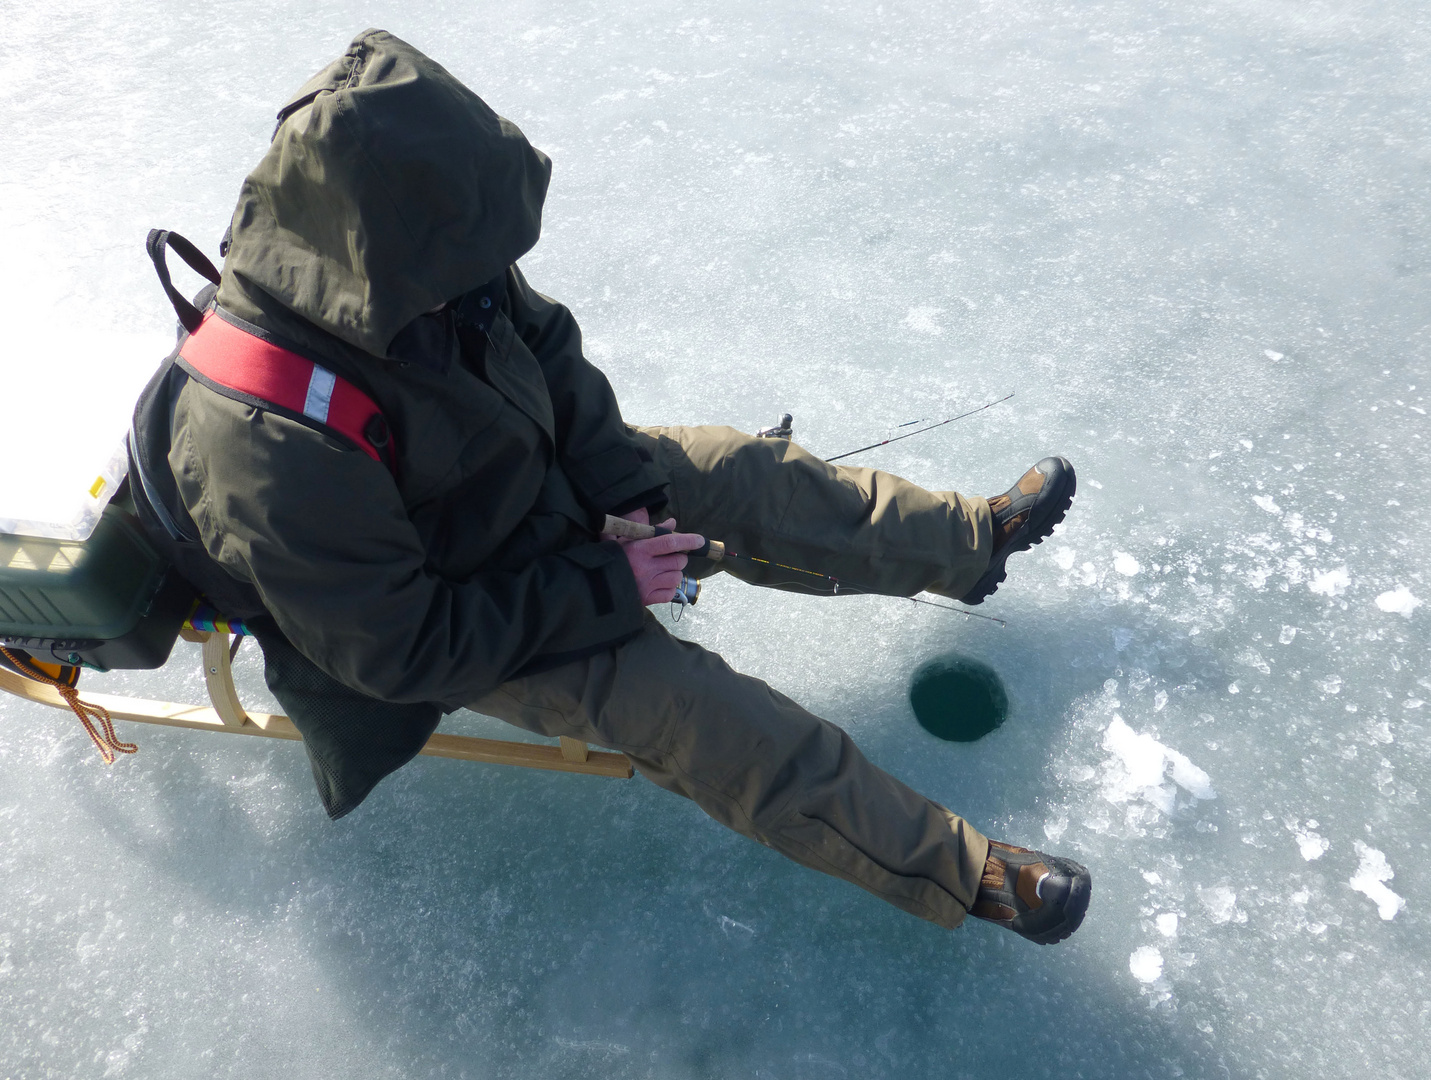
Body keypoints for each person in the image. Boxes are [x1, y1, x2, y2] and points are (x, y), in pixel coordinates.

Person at [134, 28, 1091, 944]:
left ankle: (970, 542)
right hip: (465, 609)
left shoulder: (422, 245)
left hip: (514, 483)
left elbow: (545, 345)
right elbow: (402, 648)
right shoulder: (261, 441)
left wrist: (623, 488)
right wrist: (606, 588)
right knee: (700, 711)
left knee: (736, 470)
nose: (488, 265)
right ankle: (962, 872)